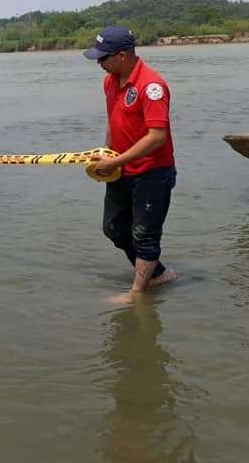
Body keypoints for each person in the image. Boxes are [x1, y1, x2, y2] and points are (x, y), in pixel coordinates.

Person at [84, 26, 177, 300]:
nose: (99, 64)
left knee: (144, 235)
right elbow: (113, 120)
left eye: (103, 58)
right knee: (113, 229)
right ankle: (158, 274)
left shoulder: (152, 87)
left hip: (152, 172)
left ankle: (137, 295)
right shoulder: (110, 81)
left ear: (123, 56)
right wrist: (106, 152)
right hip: (120, 169)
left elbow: (157, 137)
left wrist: (116, 161)